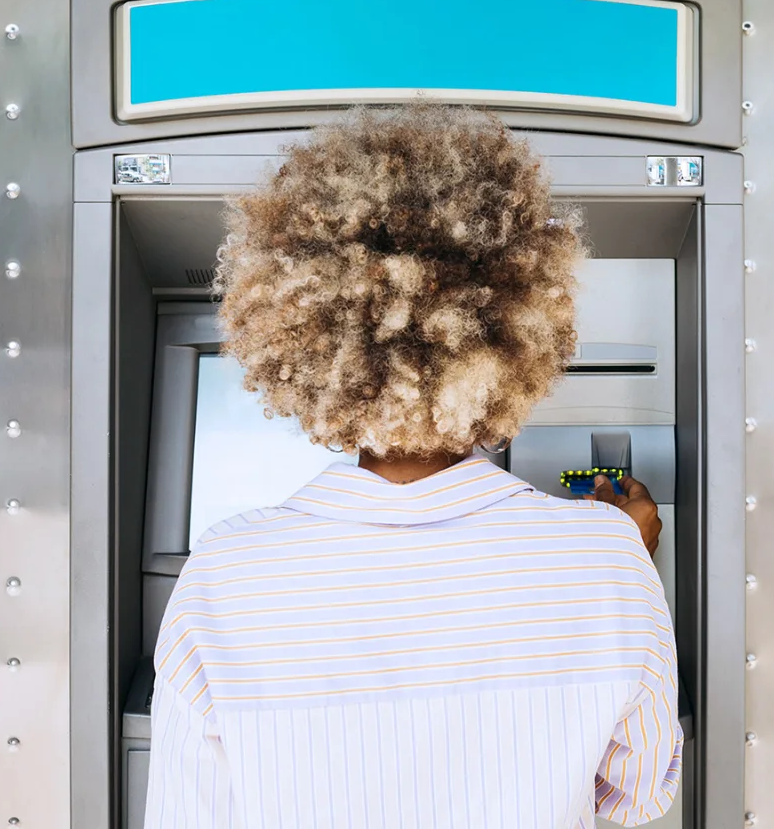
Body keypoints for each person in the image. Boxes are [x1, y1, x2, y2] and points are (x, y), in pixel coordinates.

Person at [145, 104, 682, 828]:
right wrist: (624, 558)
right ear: (514, 332)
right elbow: (637, 797)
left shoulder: (221, 573)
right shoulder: (609, 560)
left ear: (300, 339)